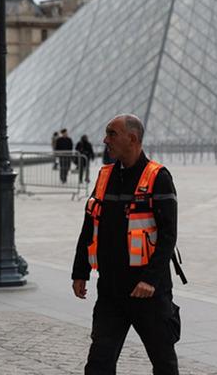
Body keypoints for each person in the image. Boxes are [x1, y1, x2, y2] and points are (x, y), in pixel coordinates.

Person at [72, 114, 180, 375]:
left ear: (132, 139)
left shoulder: (158, 177)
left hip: (148, 293)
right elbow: (89, 225)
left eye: (111, 134)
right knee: (98, 364)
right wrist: (80, 272)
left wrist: (150, 280)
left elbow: (168, 235)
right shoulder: (104, 175)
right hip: (111, 290)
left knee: (163, 362)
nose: (105, 139)